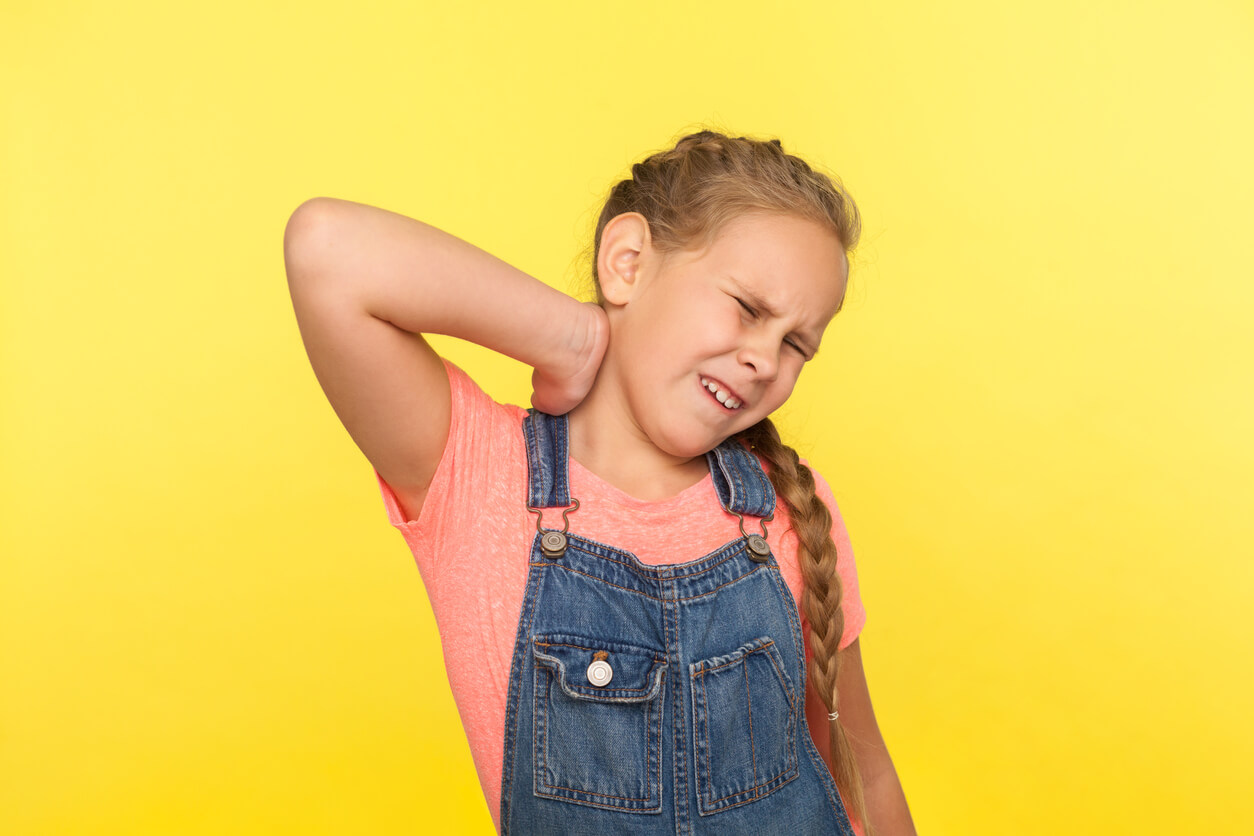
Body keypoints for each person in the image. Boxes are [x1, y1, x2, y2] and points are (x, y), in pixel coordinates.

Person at [283, 129, 917, 836]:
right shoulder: (478, 475)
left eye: (797, 344)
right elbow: (325, 248)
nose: (766, 359)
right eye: (747, 308)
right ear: (627, 263)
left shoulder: (788, 507)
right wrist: (570, 337)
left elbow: (865, 770)